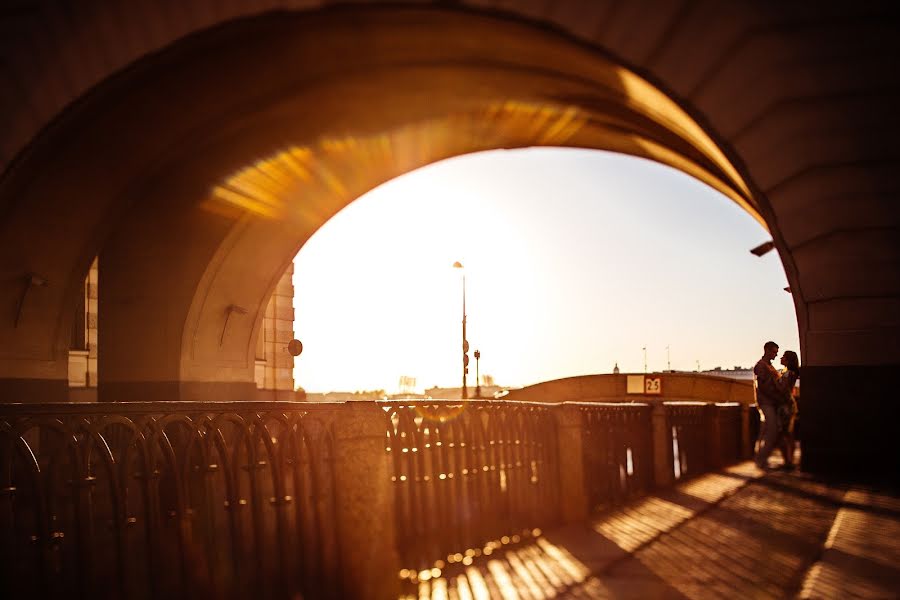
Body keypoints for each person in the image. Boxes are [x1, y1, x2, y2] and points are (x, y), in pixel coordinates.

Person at [753, 341, 781, 469]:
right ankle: (761, 459)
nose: (775, 355)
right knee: (771, 431)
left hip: (769, 402)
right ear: (767, 350)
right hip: (766, 403)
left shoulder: (768, 365)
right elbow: (763, 387)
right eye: (774, 352)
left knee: (765, 431)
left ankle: (760, 459)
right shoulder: (761, 366)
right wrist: (777, 397)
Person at [775, 350, 801, 469]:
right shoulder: (787, 372)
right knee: (789, 434)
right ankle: (790, 461)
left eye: (783, 357)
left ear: (788, 360)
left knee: (783, 434)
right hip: (789, 404)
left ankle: (788, 462)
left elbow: (783, 389)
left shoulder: (788, 373)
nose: (781, 358)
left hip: (785, 405)